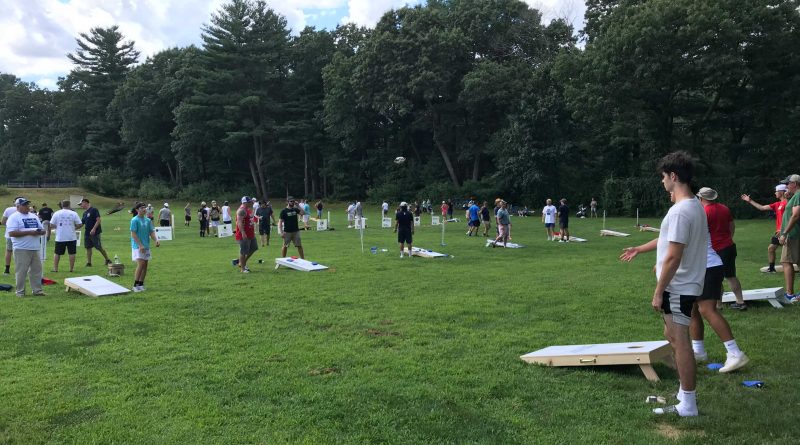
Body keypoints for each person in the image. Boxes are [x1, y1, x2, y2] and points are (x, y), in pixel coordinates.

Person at [620, 151, 706, 417]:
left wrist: (659, 292)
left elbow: (673, 256)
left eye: (663, 176)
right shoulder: (694, 206)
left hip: (678, 287)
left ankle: (688, 404)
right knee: (671, 336)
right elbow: (668, 241)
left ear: (674, 176)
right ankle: (683, 393)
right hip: (684, 284)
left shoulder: (681, 211)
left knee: (680, 341)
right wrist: (640, 249)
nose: (662, 181)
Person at [692, 221, 749, 373]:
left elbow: (674, 243)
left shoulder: (687, 211)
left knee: (707, 310)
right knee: (692, 309)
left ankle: (735, 353)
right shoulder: (688, 211)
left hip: (707, 267)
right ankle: (698, 351)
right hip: (695, 268)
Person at [697, 187, 746, 310]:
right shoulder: (724, 208)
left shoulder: (704, 212)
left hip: (715, 249)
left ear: (701, 198)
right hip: (729, 246)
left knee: (716, 278)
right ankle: (740, 301)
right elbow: (732, 226)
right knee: (731, 275)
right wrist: (728, 238)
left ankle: (718, 305)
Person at [741, 184, 788, 273]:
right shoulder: (777, 204)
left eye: (776, 191)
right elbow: (762, 208)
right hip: (779, 232)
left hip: (786, 231)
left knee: (790, 252)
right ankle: (771, 269)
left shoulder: (788, 203)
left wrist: (784, 230)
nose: (775, 193)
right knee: (771, 248)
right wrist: (750, 200)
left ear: (781, 192)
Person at [6, 198, 46, 296]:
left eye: (27, 204)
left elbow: (42, 229)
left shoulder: (33, 216)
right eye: (24, 205)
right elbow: (12, 233)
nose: (27, 206)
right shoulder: (13, 217)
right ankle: (20, 292)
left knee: (36, 270)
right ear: (18, 206)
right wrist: (30, 232)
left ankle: (37, 290)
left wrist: (41, 232)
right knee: (21, 271)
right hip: (21, 248)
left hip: (35, 248)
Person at [778, 174, 800, 302]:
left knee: (786, 262)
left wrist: (785, 233)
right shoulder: (795, 196)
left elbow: (795, 215)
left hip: (793, 234)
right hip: (794, 233)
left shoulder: (798, 195)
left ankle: (789, 294)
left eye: (788, 183)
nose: (786, 186)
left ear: (795, 184)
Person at [130, 202, 159, 291]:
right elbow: (133, 234)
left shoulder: (148, 220)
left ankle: (141, 284)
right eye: (142, 208)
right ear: (137, 210)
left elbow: (151, 232)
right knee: (141, 264)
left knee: (145, 265)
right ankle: (135, 286)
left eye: (144, 207)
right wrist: (140, 245)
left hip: (146, 245)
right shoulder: (134, 220)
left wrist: (156, 240)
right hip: (137, 246)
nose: (144, 209)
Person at [50, 200, 83, 273]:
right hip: (71, 236)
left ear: (62, 205)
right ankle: (71, 269)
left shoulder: (57, 213)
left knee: (57, 253)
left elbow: (51, 225)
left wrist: (58, 227)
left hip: (60, 237)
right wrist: (74, 228)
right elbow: (80, 224)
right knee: (72, 253)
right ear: (69, 205)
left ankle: (55, 268)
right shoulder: (73, 213)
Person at [79, 198, 112, 266]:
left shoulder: (94, 210)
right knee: (88, 247)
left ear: (85, 203)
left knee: (98, 247)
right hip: (87, 233)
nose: (80, 206)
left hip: (95, 232)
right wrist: (73, 228)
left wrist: (93, 229)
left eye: (81, 204)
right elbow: (82, 224)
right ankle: (89, 263)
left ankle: (107, 260)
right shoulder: (84, 213)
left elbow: (98, 220)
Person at [235, 197, 258, 273]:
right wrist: (243, 232)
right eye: (249, 202)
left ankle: (242, 263)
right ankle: (243, 268)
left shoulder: (247, 209)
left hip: (250, 233)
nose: (251, 203)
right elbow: (239, 222)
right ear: (244, 203)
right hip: (244, 234)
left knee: (254, 248)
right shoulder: (241, 210)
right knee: (243, 251)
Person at [2, 197, 22, 275]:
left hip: (9, 233)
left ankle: (7, 269)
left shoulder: (8, 209)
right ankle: (20, 269)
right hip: (21, 234)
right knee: (21, 252)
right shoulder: (25, 209)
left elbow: (3, 222)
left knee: (9, 251)